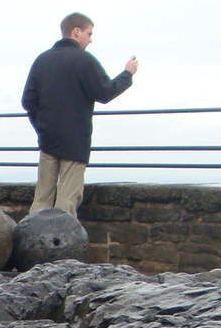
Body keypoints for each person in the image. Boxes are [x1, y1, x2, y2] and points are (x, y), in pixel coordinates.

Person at [21, 13, 138, 216]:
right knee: (66, 201)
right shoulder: (84, 60)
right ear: (77, 31)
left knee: (41, 199)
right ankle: (60, 245)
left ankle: (31, 241)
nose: (91, 39)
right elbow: (104, 93)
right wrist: (127, 74)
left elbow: (28, 102)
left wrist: (42, 127)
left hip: (48, 139)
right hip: (75, 142)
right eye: (89, 33)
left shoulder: (42, 60)